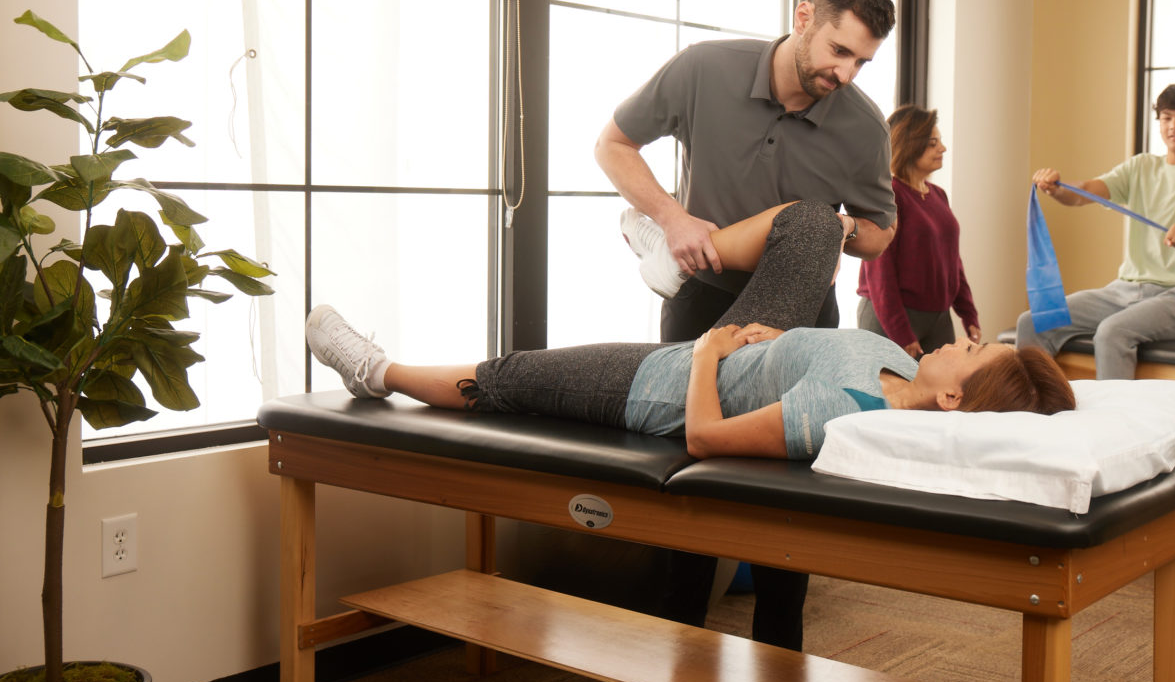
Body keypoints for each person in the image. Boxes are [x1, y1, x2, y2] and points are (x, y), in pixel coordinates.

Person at [596, 0, 900, 652]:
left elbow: (882, 232)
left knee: (788, 490)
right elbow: (612, 144)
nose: (846, 73)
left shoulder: (862, 125)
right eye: (838, 50)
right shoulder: (706, 69)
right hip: (702, 298)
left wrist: (833, 229)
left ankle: (780, 657)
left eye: (861, 61)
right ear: (803, 17)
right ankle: (677, 642)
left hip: (803, 318)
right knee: (687, 472)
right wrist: (671, 217)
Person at [308, 201, 1074, 461]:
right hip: (754, 343)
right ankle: (671, 263)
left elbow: (705, 438)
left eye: (971, 353)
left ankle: (377, 371)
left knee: (507, 377)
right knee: (814, 226)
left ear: (951, 402)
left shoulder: (848, 413)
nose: (962, 341)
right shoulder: (898, 370)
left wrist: (707, 352)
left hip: (662, 384)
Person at [1014, 83, 1175, 380]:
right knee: (1032, 322)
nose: (1174, 125)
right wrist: (1056, 188)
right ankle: (1032, 408)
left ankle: (1114, 423)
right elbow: (1084, 192)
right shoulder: (1141, 166)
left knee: (1112, 332)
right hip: (1124, 291)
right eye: (1167, 117)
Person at [856, 105, 980, 358]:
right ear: (910, 144)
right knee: (891, 396)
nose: (942, 148)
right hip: (891, 318)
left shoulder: (938, 195)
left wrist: (968, 313)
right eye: (933, 142)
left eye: (940, 141)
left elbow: (952, 260)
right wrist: (901, 332)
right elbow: (880, 271)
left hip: (937, 317)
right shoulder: (890, 194)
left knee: (939, 395)